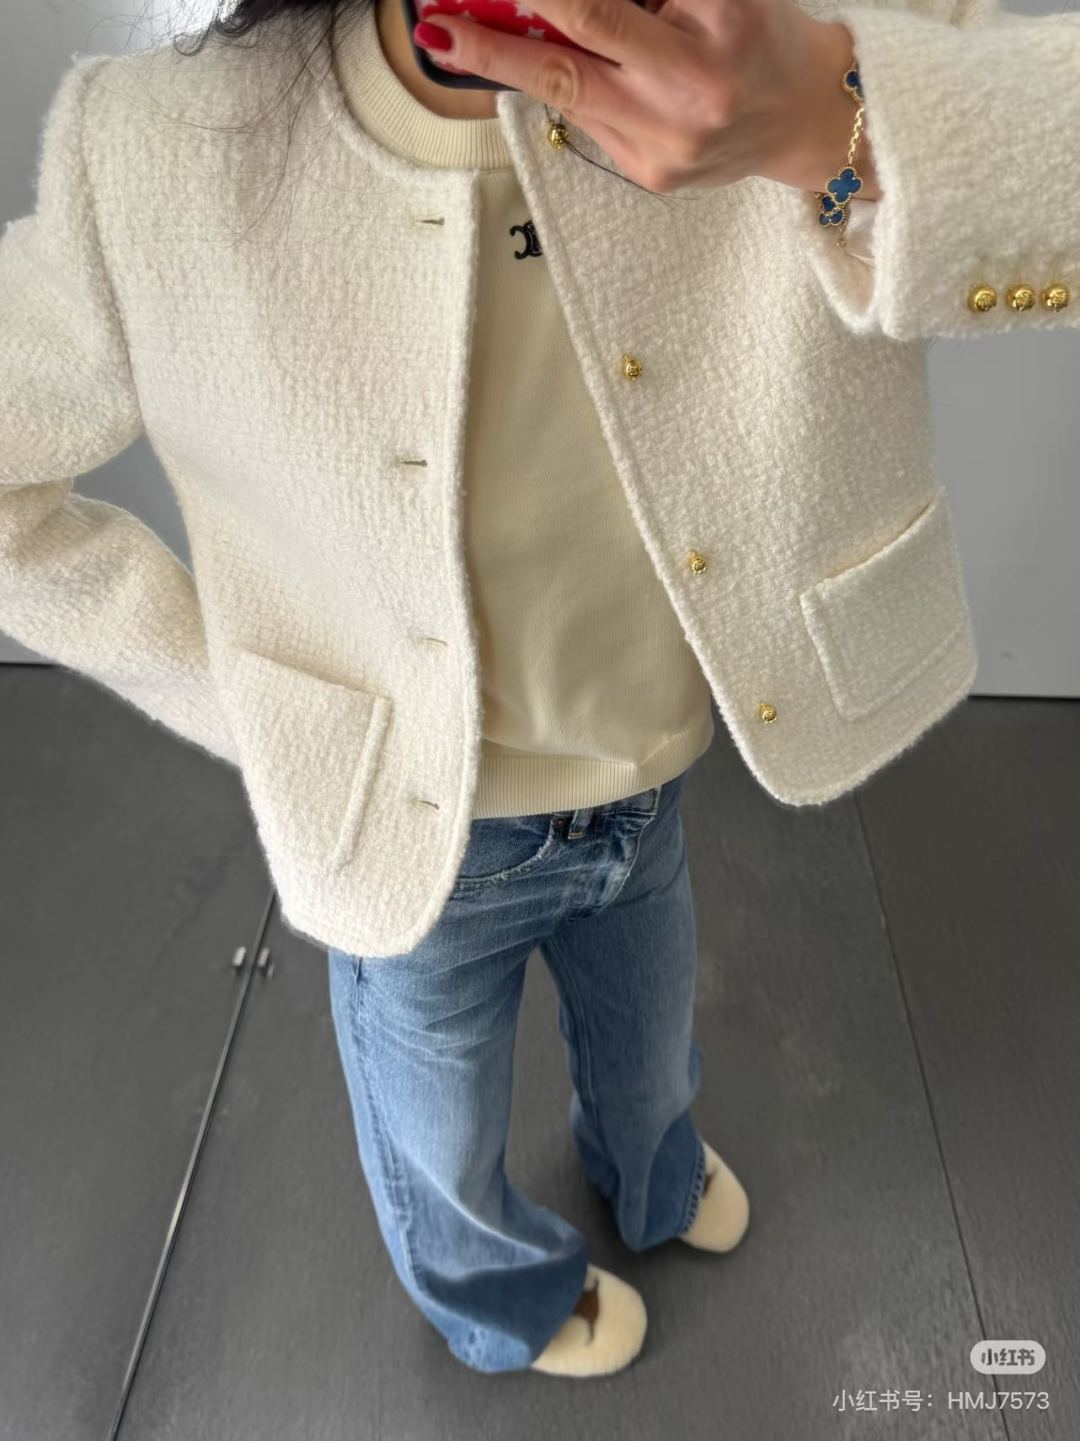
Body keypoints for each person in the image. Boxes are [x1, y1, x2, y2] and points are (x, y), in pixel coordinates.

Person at [2, 0, 1076, 1383]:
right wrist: (252, 702)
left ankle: (654, 1173)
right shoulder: (158, 152)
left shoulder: (795, 28)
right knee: (437, 1134)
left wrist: (837, 112)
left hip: (651, 777)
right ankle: (495, 1297)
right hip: (416, 840)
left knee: (653, 1050)